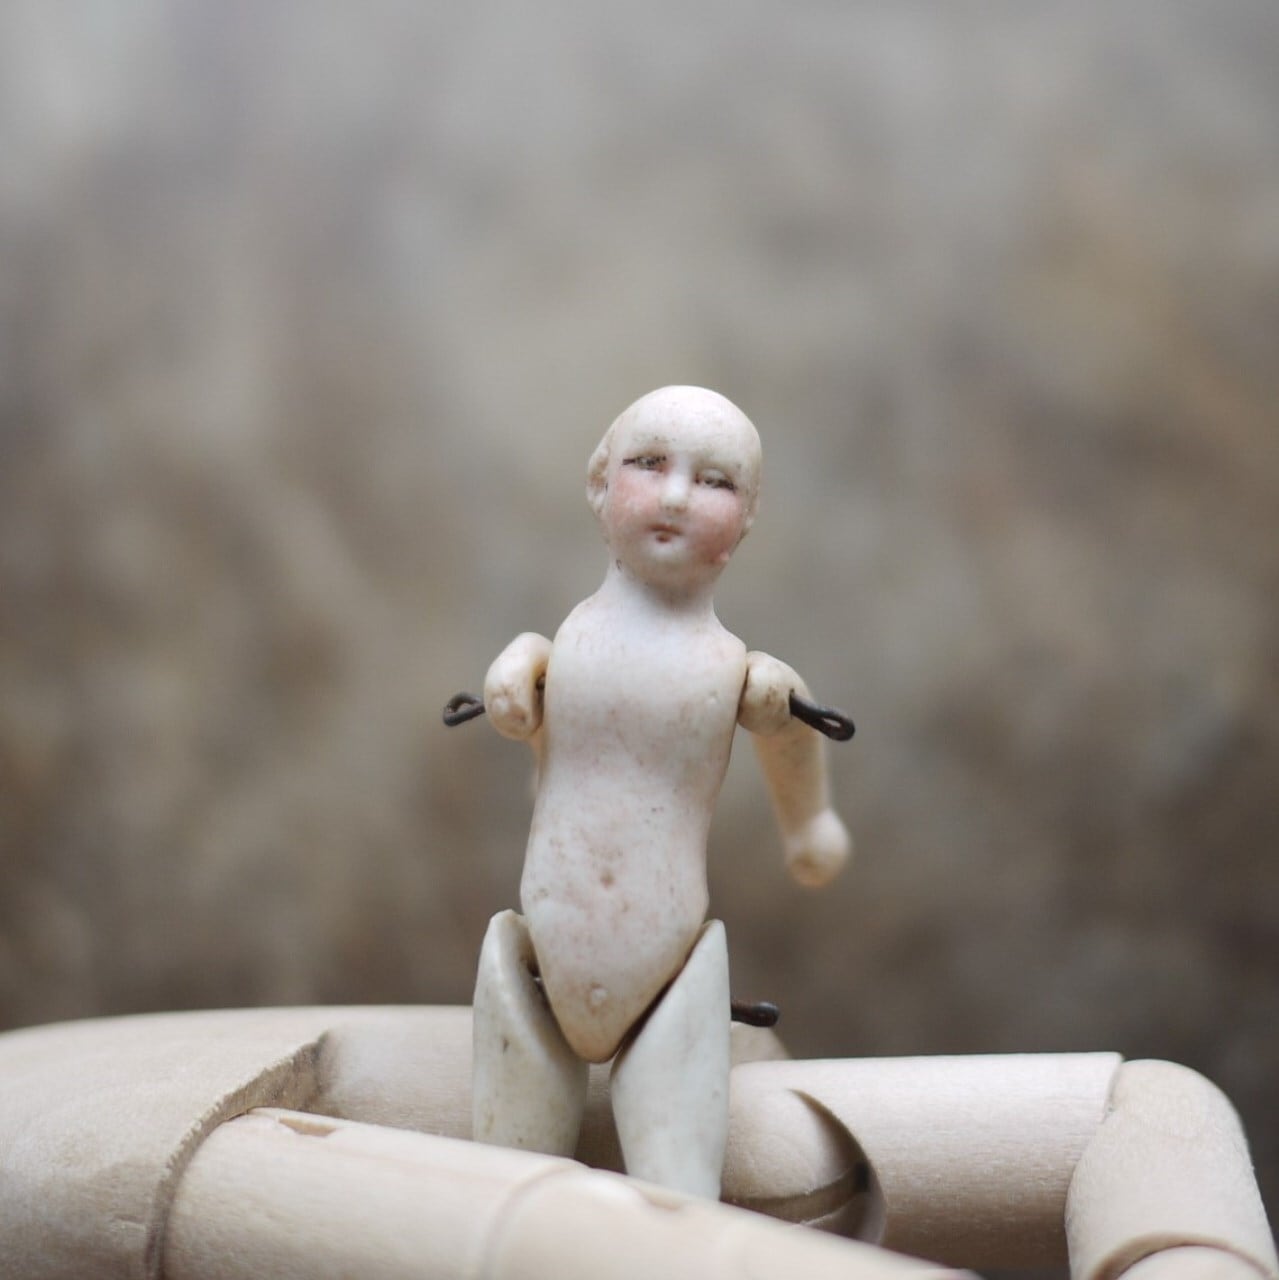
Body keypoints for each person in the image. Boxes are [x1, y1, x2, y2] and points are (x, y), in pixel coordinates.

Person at [470, 386, 850, 1198]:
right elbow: (557, 744)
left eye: (714, 481)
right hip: (536, 962)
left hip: (670, 979)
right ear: (597, 483)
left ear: (746, 519)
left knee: (675, 1197)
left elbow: (793, 735)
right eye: (649, 465)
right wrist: (520, 675)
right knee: (504, 1191)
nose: (676, 496)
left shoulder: (738, 672)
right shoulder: (561, 646)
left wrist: (808, 822)